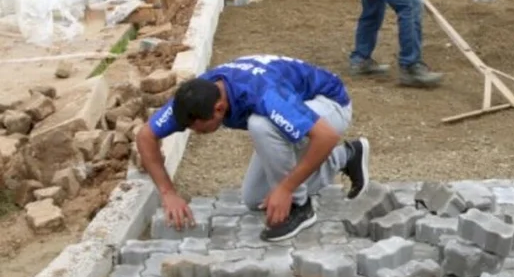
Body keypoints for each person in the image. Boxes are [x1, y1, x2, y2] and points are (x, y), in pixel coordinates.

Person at [135, 55, 369, 243]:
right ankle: (347, 156)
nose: (194, 132)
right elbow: (145, 136)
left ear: (219, 109)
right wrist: (168, 193)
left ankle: (300, 206)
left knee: (260, 125)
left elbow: (326, 136)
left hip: (331, 105)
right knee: (255, 198)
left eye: (198, 128)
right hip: (294, 107)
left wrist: (287, 188)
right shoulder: (197, 94)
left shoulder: (265, 95)